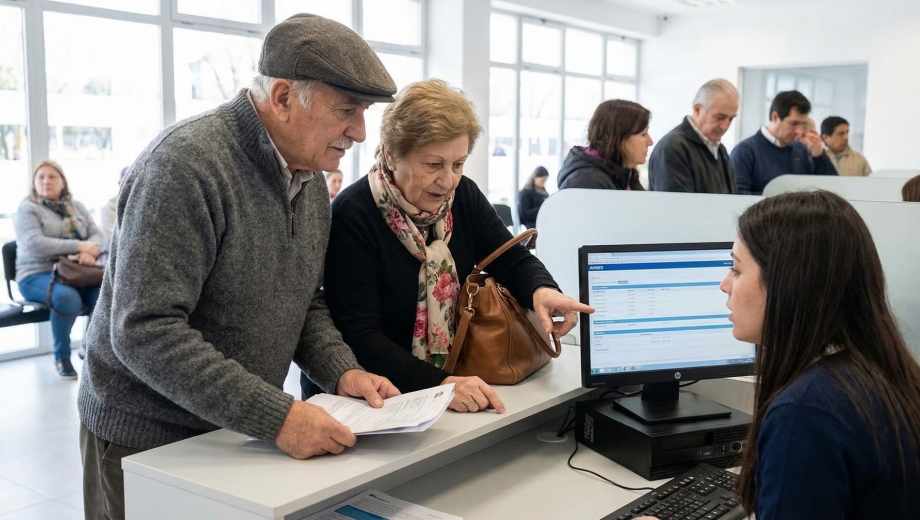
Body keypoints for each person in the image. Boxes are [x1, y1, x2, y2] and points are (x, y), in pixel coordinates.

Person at [78, 15, 401, 520]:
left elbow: (302, 299)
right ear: (283, 98)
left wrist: (343, 370)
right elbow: (145, 331)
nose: (359, 132)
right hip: (145, 441)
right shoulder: (183, 166)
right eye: (347, 111)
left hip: (233, 430)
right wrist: (279, 418)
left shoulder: (309, 178)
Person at [324, 79, 593, 413]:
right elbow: (359, 334)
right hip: (376, 397)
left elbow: (510, 257)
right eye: (433, 164)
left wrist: (542, 290)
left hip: (453, 382)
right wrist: (439, 385)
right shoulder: (354, 213)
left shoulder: (462, 195)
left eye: (458, 163)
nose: (448, 179)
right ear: (392, 155)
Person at [720, 191, 920, 518]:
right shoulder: (879, 371)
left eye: (736, 270)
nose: (724, 285)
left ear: (788, 282)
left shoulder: (805, 413)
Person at [14, 160, 103, 378]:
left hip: (76, 271)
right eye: (41, 177)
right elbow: (34, 243)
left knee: (105, 294)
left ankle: (93, 352)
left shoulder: (76, 206)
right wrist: (79, 246)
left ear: (63, 182)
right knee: (67, 298)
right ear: (34, 183)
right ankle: (62, 357)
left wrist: (88, 251)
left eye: (52, 176)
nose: (46, 181)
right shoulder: (28, 209)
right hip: (37, 273)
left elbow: (98, 235)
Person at [730, 90, 837, 195]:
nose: (799, 131)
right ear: (775, 117)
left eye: (803, 124)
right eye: (794, 123)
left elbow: (831, 189)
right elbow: (738, 197)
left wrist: (819, 155)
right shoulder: (745, 151)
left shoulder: (802, 149)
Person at [649, 79, 738, 193]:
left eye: (731, 118)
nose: (725, 126)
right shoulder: (672, 148)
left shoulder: (721, 150)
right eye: (719, 117)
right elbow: (674, 206)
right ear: (697, 109)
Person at [557, 99, 651, 191]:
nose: (650, 142)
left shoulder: (626, 174)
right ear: (617, 137)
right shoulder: (586, 183)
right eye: (643, 134)